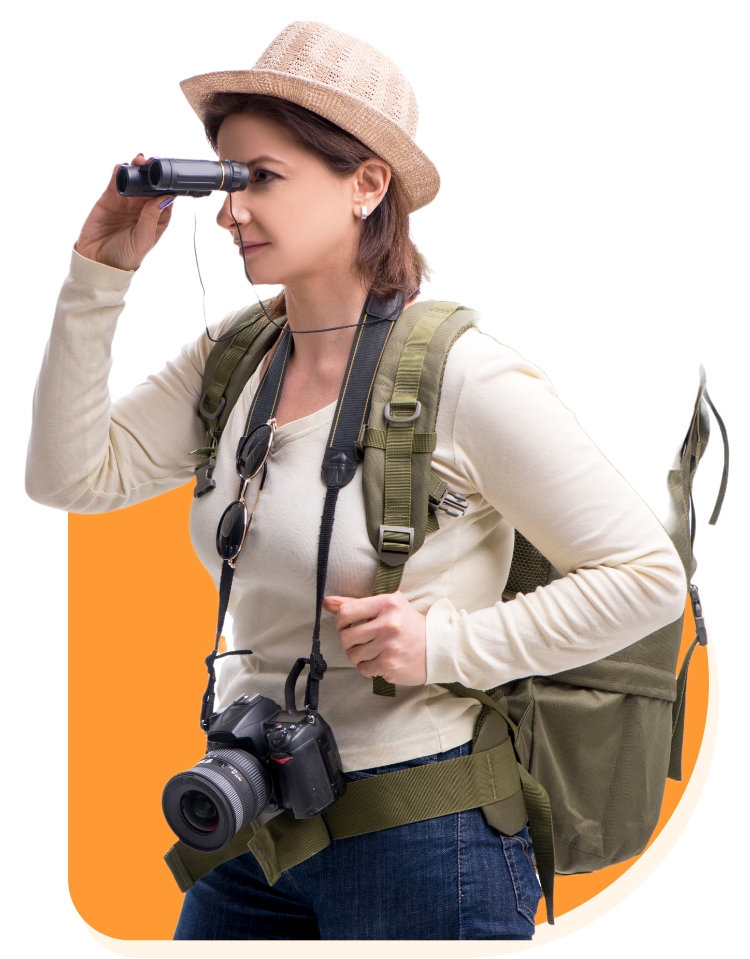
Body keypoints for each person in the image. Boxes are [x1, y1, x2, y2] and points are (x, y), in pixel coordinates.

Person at [26, 20, 687, 942]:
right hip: (255, 821)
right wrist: (98, 273)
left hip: (427, 840)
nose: (230, 212)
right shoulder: (237, 354)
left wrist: (445, 646)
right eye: (224, 178)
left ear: (366, 184)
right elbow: (66, 476)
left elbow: (650, 579)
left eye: (263, 178)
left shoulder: (468, 378)